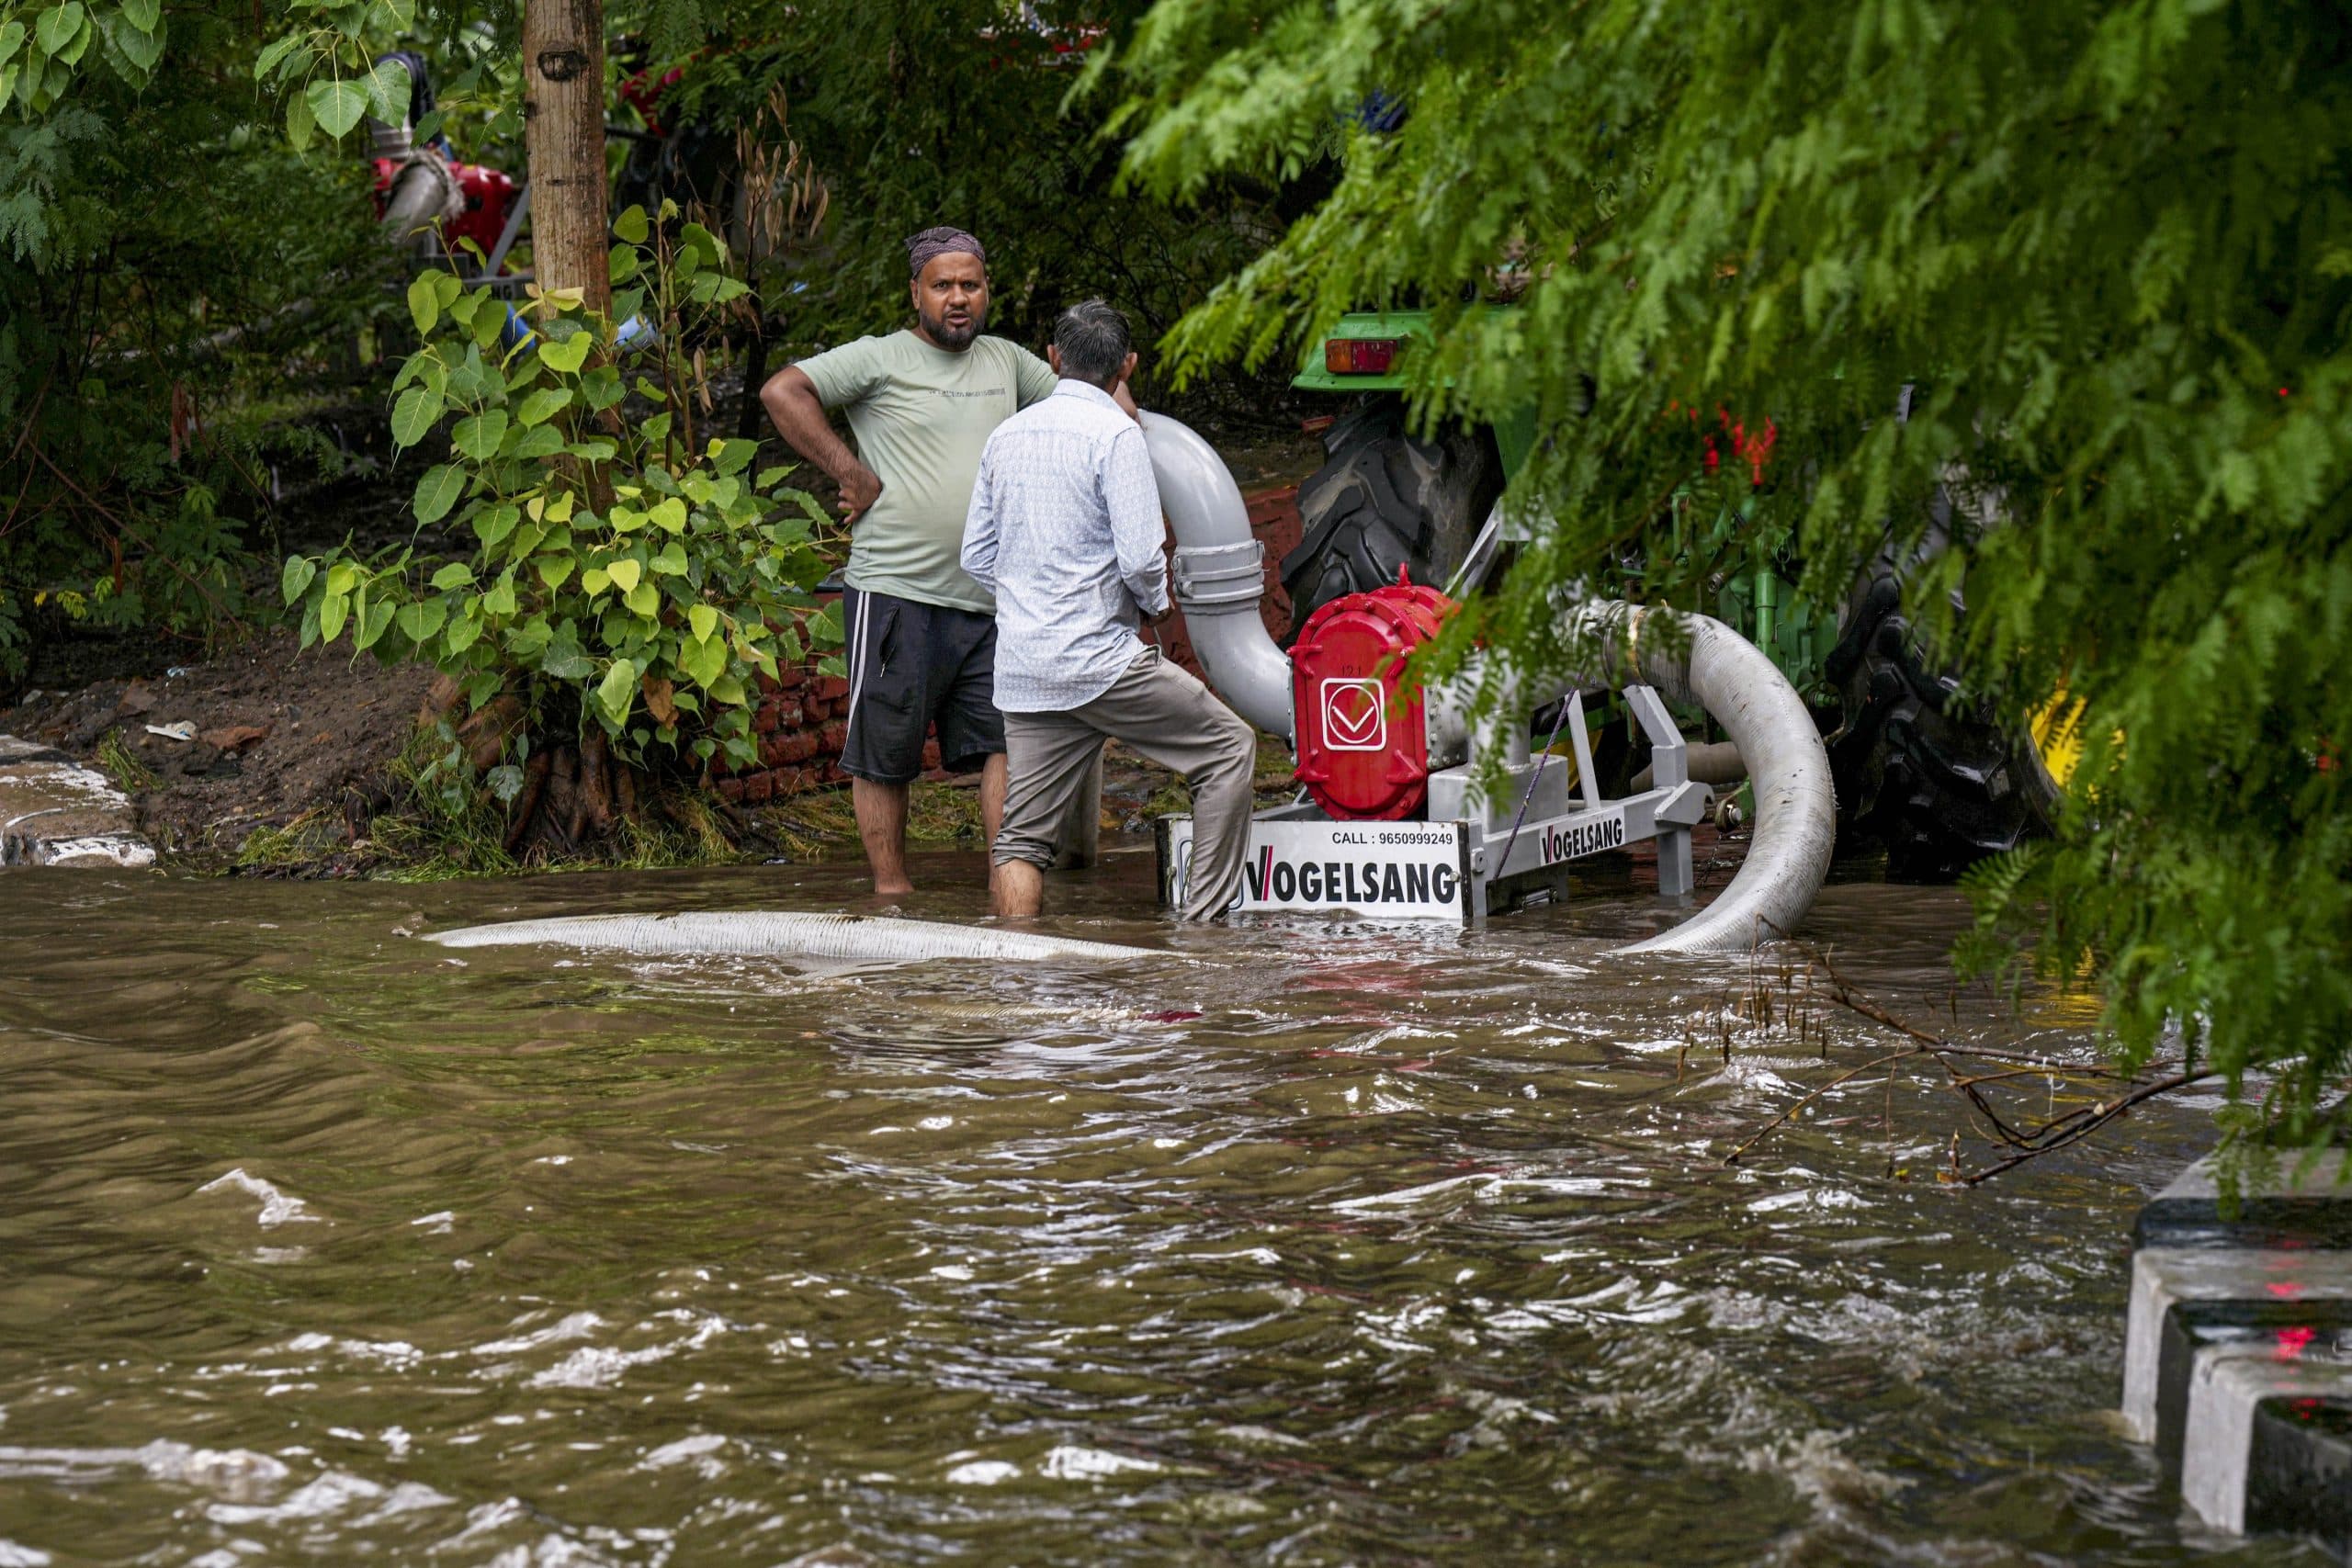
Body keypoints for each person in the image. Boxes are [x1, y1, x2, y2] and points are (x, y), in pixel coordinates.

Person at [759, 226, 1065, 896]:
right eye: (943, 285)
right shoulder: (881, 358)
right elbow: (783, 391)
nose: (958, 298)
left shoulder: (1009, 364)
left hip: (991, 599)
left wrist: (1117, 395)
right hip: (896, 592)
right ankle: (892, 900)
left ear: (988, 291)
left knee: (1004, 744)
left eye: (970, 285)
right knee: (885, 754)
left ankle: (1008, 900)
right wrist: (849, 469)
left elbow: (1085, 409)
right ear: (916, 292)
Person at [962, 299, 1258, 921]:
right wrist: (1153, 609)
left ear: (1052, 358)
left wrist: (1030, 605)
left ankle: (1016, 980)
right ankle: (1202, 931)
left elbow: (975, 558)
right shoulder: (1118, 436)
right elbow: (1143, 561)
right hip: (1101, 662)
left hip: (1026, 669)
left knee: (1019, 843)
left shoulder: (1005, 435)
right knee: (1229, 747)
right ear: (1127, 365)